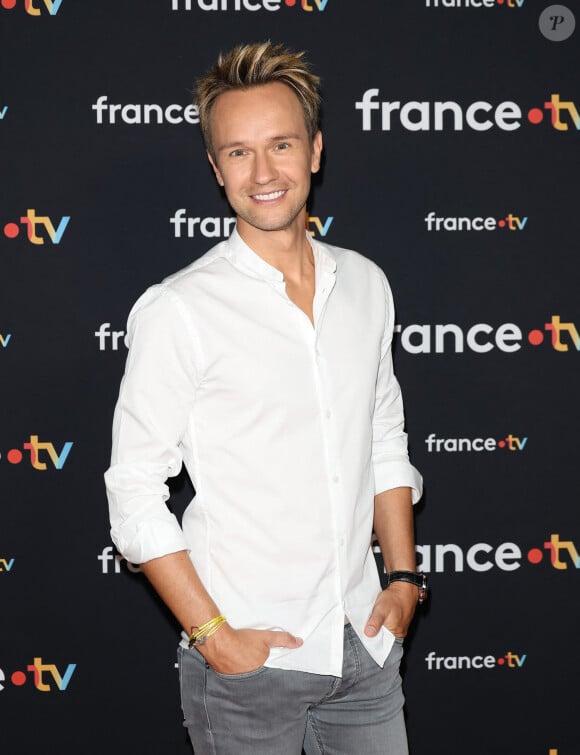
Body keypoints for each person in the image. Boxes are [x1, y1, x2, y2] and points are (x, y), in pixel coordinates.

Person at [105, 40, 424, 755]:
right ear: (217, 169)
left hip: (366, 645)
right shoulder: (179, 308)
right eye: (239, 152)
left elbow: (383, 437)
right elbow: (132, 490)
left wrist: (402, 578)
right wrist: (215, 638)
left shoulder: (366, 284)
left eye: (280, 144)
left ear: (314, 150)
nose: (264, 171)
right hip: (250, 665)